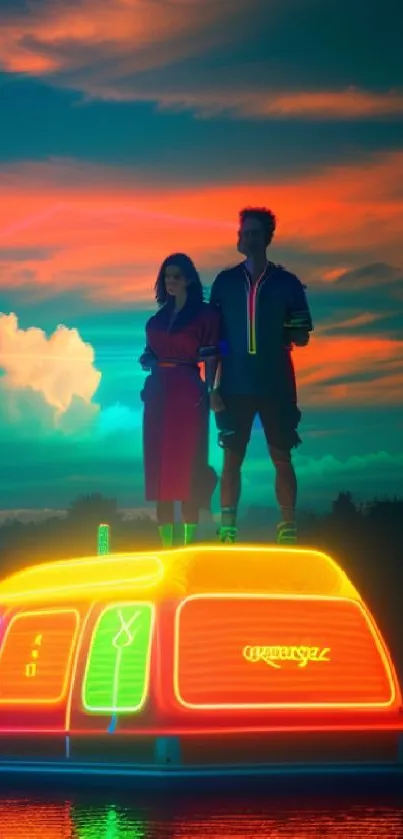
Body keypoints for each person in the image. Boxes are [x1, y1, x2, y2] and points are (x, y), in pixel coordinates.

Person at [209, 207, 313, 545]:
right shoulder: (224, 283)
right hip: (234, 384)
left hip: (276, 383)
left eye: (254, 233)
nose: (246, 238)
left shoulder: (288, 283)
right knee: (231, 458)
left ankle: (287, 527)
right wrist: (213, 387)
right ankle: (227, 530)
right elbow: (212, 337)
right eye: (243, 232)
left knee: (282, 455)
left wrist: (285, 329)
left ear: (266, 238)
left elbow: (301, 335)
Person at [140, 253, 220, 548]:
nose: (170, 281)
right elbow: (150, 351)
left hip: (188, 391)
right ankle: (166, 546)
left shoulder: (206, 315)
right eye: (166, 276)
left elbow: (212, 356)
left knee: (189, 463)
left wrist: (211, 391)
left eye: (176, 276)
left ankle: (188, 544)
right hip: (158, 392)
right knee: (159, 467)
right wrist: (148, 358)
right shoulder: (156, 320)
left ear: (188, 278)